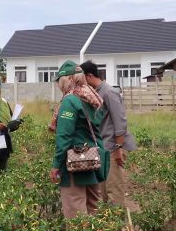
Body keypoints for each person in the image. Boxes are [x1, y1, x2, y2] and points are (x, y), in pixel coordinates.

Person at [49, 60, 109, 219]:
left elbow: (64, 137)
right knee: (93, 210)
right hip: (93, 161)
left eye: (59, 81)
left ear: (68, 79)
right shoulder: (91, 96)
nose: (58, 85)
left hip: (75, 165)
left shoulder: (70, 101)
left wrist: (56, 165)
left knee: (76, 214)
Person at [80, 60, 136, 207]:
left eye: (82, 79)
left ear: (89, 76)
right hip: (102, 148)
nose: (81, 84)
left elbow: (120, 122)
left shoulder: (109, 92)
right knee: (102, 190)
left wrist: (118, 149)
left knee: (114, 189)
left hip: (113, 148)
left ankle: (118, 224)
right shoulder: (95, 93)